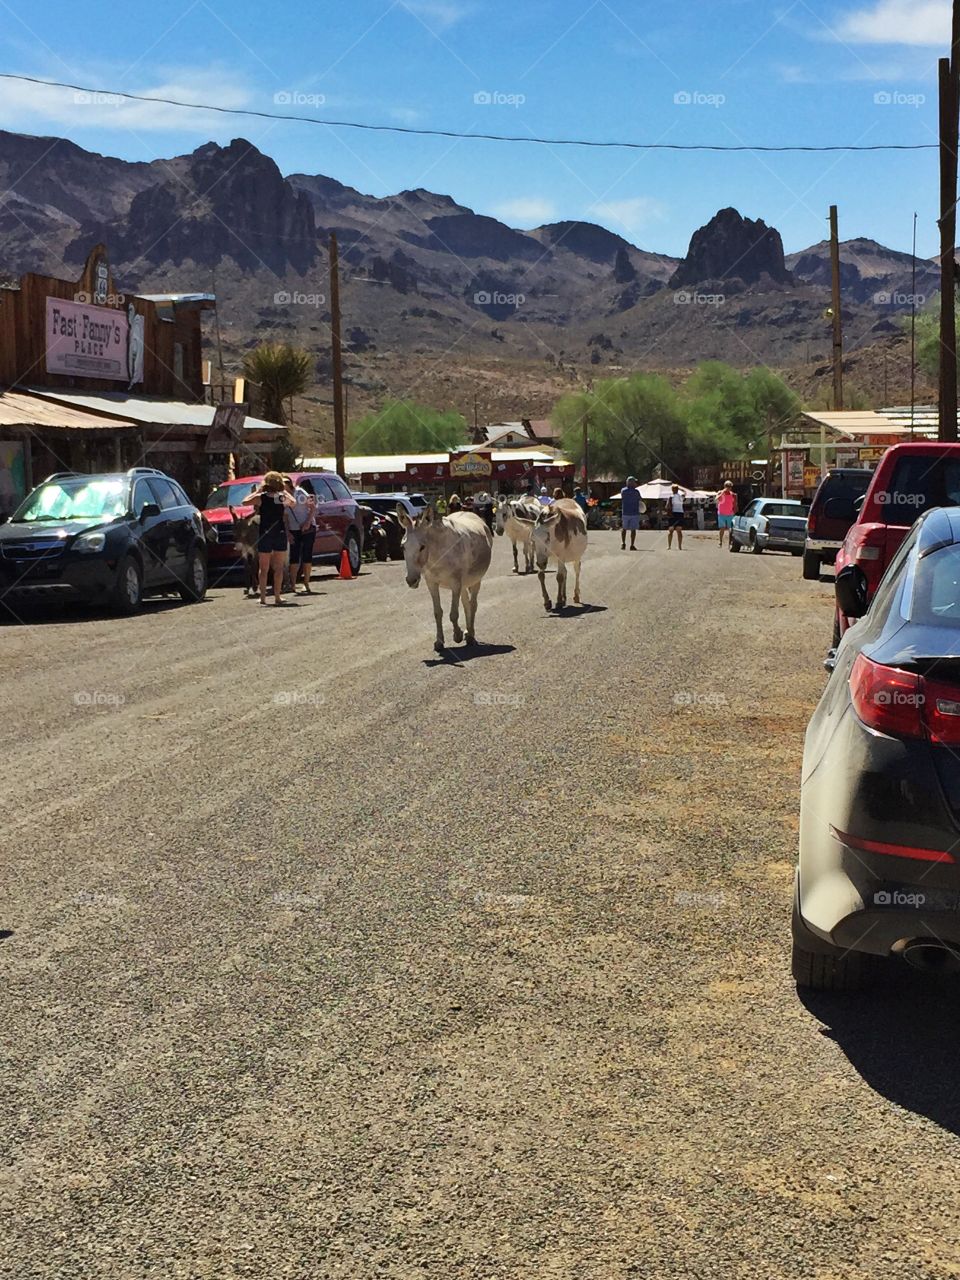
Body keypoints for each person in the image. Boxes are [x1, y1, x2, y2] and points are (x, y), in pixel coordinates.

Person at [244, 471, 297, 605]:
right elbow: (293, 503)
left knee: (264, 567)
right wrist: (285, 493)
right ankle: (277, 597)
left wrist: (257, 492)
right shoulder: (279, 497)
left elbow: (244, 502)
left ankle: (262, 598)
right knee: (278, 567)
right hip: (279, 532)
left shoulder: (262, 498)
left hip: (265, 533)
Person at [287, 478, 319, 593]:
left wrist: (307, 522)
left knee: (307, 554)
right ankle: (293, 584)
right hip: (293, 528)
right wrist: (288, 532)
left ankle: (306, 582)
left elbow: (312, 507)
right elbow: (284, 516)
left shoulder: (300, 493)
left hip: (307, 527)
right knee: (294, 556)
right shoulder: (282, 497)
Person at [620, 476, 644, 551]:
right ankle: (632, 545)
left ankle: (623, 543)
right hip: (634, 513)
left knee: (624, 529)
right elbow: (640, 500)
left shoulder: (623, 491)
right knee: (633, 530)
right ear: (632, 483)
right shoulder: (636, 492)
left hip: (625, 512)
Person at [715, 480, 737, 548]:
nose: (728, 488)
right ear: (724, 486)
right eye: (727, 486)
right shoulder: (720, 492)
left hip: (730, 513)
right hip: (721, 513)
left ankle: (730, 543)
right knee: (722, 528)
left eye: (730, 486)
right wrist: (722, 493)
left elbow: (735, 504)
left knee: (730, 529)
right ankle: (720, 542)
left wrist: (735, 511)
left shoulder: (733, 495)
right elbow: (716, 499)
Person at [665, 483, 687, 550]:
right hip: (680, 513)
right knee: (679, 531)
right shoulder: (681, 497)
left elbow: (667, 506)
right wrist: (680, 489)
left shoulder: (671, 497)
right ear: (677, 490)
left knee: (670, 531)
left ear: (672, 490)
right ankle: (680, 546)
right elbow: (685, 492)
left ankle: (669, 546)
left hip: (673, 514)